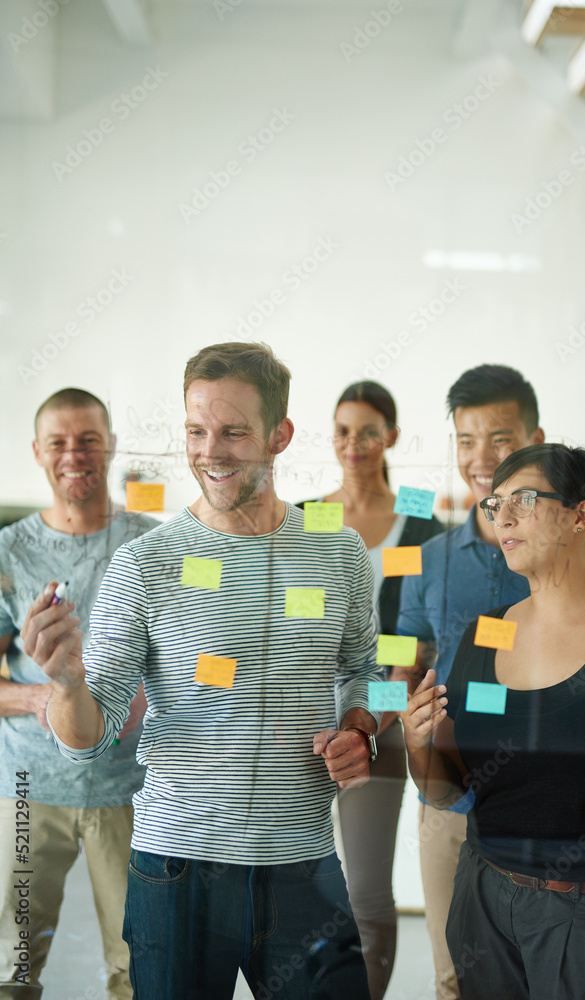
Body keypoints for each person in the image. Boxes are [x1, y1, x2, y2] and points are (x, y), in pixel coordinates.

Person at [20, 343, 385, 1000]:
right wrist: (68, 685)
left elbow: (369, 669)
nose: (209, 451)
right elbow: (86, 737)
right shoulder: (145, 565)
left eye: (233, 432)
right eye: (195, 431)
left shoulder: (339, 551)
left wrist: (362, 727)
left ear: (280, 435)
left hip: (304, 863)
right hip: (177, 871)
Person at [395, 364, 585, 1000]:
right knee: (456, 974)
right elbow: (404, 651)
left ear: (534, 437)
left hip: (567, 819)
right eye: (465, 441)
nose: (481, 458)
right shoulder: (430, 557)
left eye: (499, 439)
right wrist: (389, 725)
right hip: (455, 795)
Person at [0, 388, 155, 998]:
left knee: (137, 964)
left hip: (134, 792)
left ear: (111, 445)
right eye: (59, 442)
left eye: (89, 439)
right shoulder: (9, 553)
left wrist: (148, 695)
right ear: (38, 452)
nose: (75, 455)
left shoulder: (155, 545)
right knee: (12, 963)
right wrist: (41, 700)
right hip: (28, 789)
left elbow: (205, 658)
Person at [299, 381, 444, 999]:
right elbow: (294, 627)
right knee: (297, 887)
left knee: (365, 888)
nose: (352, 444)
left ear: (391, 437)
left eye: (366, 430)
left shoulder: (420, 517)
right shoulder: (309, 515)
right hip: (303, 729)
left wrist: (370, 721)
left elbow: (416, 643)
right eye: (341, 430)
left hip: (379, 728)